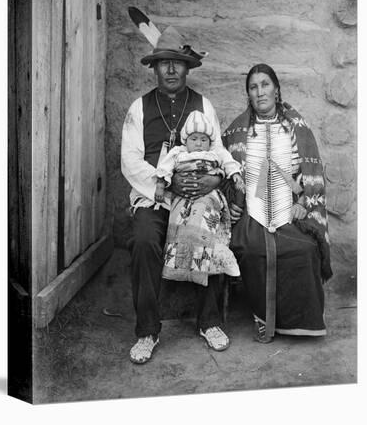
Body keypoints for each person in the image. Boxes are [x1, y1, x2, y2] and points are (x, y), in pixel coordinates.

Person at [121, 25, 231, 364]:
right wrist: (166, 184)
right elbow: (129, 160)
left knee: (208, 231)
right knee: (142, 239)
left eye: (177, 63)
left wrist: (211, 181)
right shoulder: (138, 108)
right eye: (164, 63)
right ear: (154, 68)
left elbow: (219, 153)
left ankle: (209, 322)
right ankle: (147, 331)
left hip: (196, 194)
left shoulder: (203, 105)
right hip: (155, 195)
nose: (171, 70)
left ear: (187, 67)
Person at [222, 63, 333, 343]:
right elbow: (222, 172)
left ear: (276, 88)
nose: (260, 92)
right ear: (248, 94)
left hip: (290, 208)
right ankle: (263, 315)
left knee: (305, 248)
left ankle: (299, 319)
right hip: (252, 209)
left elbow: (311, 174)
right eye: (253, 87)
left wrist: (303, 203)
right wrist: (231, 202)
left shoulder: (298, 128)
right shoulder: (236, 132)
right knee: (252, 247)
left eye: (265, 84)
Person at [155, 110, 243, 286]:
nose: (198, 144)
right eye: (194, 139)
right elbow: (164, 168)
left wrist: (235, 175)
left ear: (209, 142)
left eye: (203, 140)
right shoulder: (178, 152)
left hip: (208, 195)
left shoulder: (214, 152)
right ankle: (177, 266)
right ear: (185, 140)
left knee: (202, 223)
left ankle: (212, 261)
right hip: (183, 196)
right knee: (180, 224)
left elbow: (228, 161)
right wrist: (160, 185)